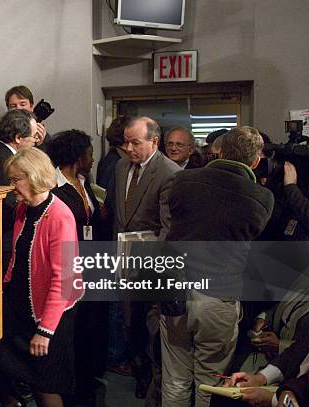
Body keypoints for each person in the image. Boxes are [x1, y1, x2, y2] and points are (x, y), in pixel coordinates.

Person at [161, 126, 274, 407]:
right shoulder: (262, 197)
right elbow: (254, 232)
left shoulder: (184, 180)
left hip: (176, 287)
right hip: (219, 296)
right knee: (210, 381)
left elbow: (175, 215)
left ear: (218, 151)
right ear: (256, 161)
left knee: (174, 378)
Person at [0, 147, 83, 407]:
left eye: (16, 179)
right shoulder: (23, 209)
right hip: (21, 309)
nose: (12, 186)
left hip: (51, 316)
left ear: (34, 176)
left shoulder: (61, 216)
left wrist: (45, 331)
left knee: (45, 384)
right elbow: (17, 258)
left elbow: (65, 280)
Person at [114, 116, 181, 399]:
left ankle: (154, 382)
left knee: (151, 329)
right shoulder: (120, 166)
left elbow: (168, 227)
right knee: (129, 324)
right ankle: (140, 373)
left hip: (151, 266)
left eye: (135, 142)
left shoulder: (170, 172)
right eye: (126, 141)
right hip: (123, 262)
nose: (128, 148)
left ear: (154, 142)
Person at [47, 130, 109, 403]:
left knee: (91, 327)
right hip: (70, 266)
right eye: (89, 152)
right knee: (74, 328)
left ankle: (88, 377)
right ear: (77, 155)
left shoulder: (85, 182)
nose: (93, 157)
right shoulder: (54, 187)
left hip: (92, 265)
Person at [0, 109, 38, 275]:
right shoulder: (5, 162)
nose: (35, 141)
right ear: (18, 138)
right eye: (33, 137)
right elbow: (9, 204)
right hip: (2, 240)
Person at [5, 85, 50, 149]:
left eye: (23, 104)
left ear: (31, 106)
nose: (18, 108)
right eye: (13, 106)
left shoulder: (41, 133)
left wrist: (39, 144)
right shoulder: (3, 131)